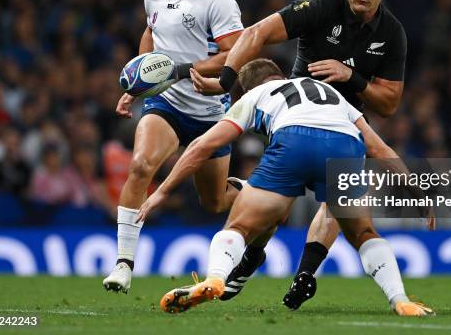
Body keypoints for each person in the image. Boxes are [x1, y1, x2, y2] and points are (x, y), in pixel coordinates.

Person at [190, 0, 432, 308]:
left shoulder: (393, 34)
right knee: (292, 209)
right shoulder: (322, 8)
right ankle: (266, 255)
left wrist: (352, 77)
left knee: (324, 204)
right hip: (294, 114)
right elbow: (257, 33)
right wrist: (228, 81)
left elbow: (390, 103)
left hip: (346, 120)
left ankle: (297, 272)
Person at [136, 59, 434, 317]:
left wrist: (162, 191)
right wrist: (417, 192)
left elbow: (204, 145)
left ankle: (215, 278)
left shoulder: (257, 95)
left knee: (239, 226)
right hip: (344, 144)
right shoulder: (333, 95)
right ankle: (401, 300)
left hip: (294, 141)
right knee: (364, 234)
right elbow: (379, 149)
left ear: (248, 87)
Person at [102, 0, 244, 293]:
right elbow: (151, 34)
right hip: (166, 103)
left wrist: (184, 69)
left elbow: (238, 53)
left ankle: (247, 191)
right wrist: (136, 84)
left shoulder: (218, 0)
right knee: (140, 166)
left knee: (213, 202)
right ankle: (123, 264)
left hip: (211, 111)